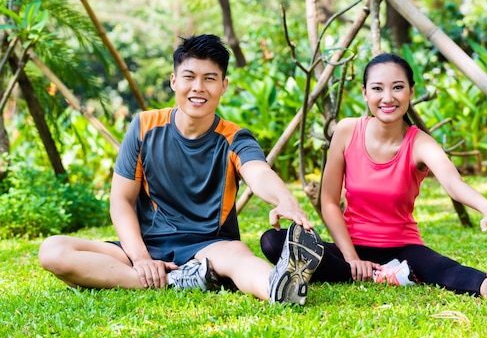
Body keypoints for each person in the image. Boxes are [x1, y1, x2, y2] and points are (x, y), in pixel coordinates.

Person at [39, 34, 324, 305]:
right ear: (174, 81)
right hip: (145, 245)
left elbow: (258, 172)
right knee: (53, 251)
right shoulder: (143, 127)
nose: (198, 87)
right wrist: (141, 258)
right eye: (189, 77)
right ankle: (176, 280)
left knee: (240, 259)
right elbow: (121, 200)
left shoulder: (235, 138)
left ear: (223, 86)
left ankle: (277, 288)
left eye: (209, 79)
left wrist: (284, 199)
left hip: (209, 247)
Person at [261, 52, 487, 300]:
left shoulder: (420, 143)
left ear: (411, 92)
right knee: (273, 241)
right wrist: (352, 257)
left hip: (403, 249)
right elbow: (329, 201)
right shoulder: (346, 131)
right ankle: (382, 275)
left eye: (398, 87)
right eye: (377, 88)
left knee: (437, 267)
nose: (388, 97)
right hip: (350, 247)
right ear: (365, 93)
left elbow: (453, 183)